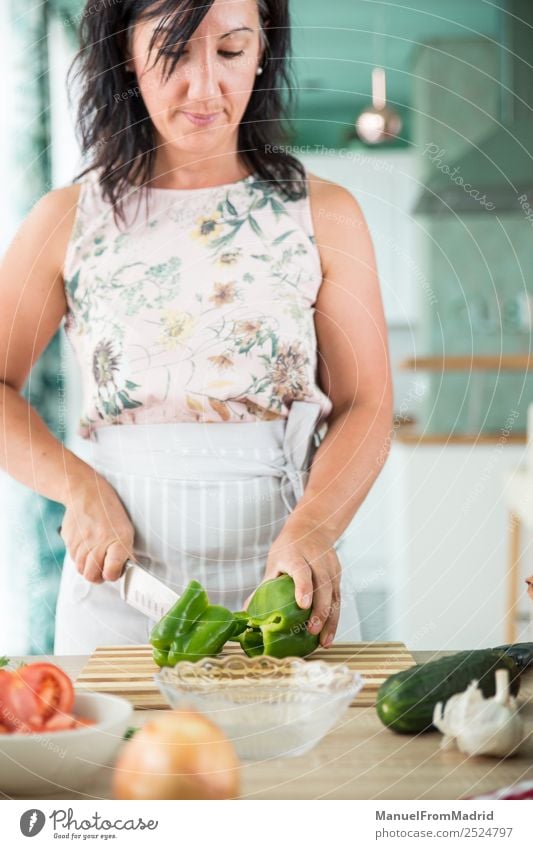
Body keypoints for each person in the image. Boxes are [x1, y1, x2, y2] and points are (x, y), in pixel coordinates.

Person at [0, 0, 393, 655]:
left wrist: (315, 526)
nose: (206, 86)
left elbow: (366, 404)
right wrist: (77, 487)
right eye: (175, 53)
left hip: (283, 588)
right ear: (123, 54)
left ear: (263, 50)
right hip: (120, 592)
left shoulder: (323, 212)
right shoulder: (69, 218)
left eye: (232, 51)